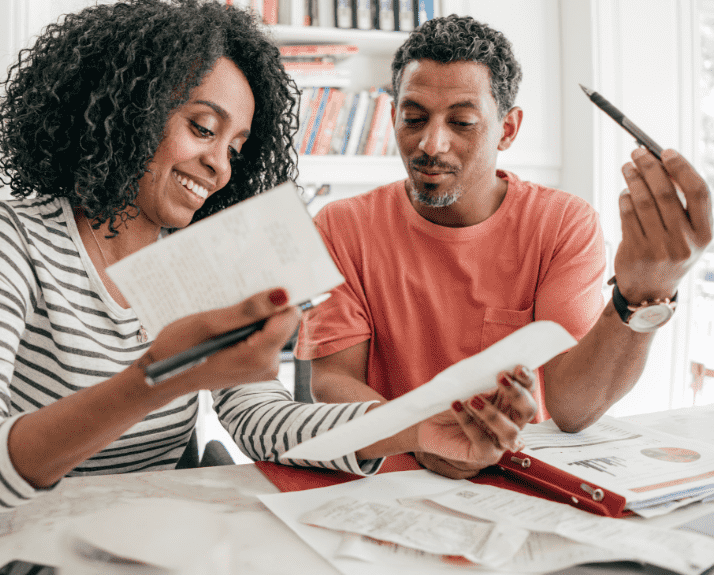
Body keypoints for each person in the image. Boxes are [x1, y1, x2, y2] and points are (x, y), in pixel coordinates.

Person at [0, 0, 538, 529]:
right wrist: (159, 377)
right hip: (11, 536)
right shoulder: (12, 237)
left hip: (139, 536)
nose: (220, 167)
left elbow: (262, 421)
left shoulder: (204, 261)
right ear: (128, 106)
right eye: (202, 128)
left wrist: (413, 424)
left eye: (237, 147)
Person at [297, 14, 713, 480]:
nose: (431, 144)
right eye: (413, 118)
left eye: (462, 122)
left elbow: (572, 409)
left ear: (507, 130)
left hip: (514, 477)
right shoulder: (341, 225)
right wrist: (418, 435)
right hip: (389, 474)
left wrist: (640, 294)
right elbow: (333, 379)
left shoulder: (561, 224)